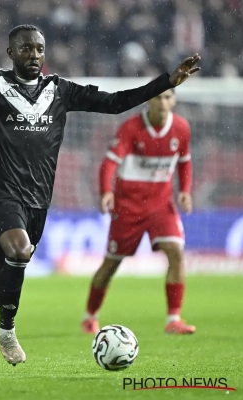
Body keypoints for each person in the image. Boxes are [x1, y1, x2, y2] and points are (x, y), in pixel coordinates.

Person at [0, 24, 201, 371]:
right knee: (19, 250)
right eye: (26, 49)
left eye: (39, 49)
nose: (34, 55)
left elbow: (115, 103)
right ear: (11, 53)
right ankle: (7, 330)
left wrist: (166, 82)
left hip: (38, 202)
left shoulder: (59, 90)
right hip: (1, 194)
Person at [81, 88, 195, 335]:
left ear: (174, 100)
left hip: (161, 205)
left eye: (167, 97)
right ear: (149, 100)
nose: (162, 102)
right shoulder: (131, 127)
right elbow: (109, 162)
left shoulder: (181, 128)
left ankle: (173, 319)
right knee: (111, 263)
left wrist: (185, 190)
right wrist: (106, 191)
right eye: (157, 97)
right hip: (128, 206)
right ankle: (90, 315)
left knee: (175, 252)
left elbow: (184, 161)